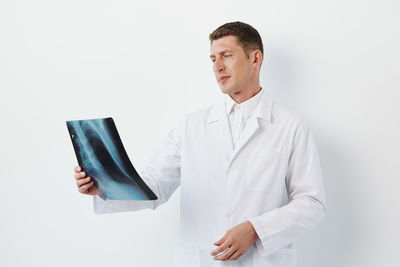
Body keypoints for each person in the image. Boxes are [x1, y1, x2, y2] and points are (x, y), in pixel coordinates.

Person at [74, 21, 326, 267]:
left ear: (255, 58)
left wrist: (255, 230)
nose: (218, 66)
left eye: (227, 55)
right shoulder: (191, 126)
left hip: (262, 259)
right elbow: (154, 185)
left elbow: (311, 203)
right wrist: (105, 186)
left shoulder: (291, 126)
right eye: (213, 59)